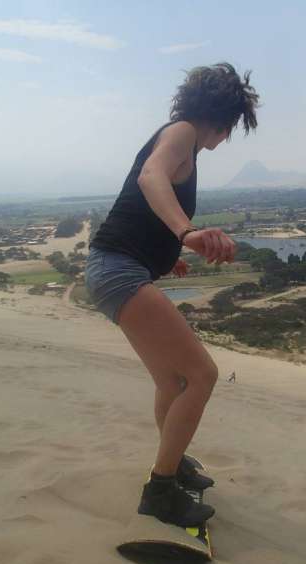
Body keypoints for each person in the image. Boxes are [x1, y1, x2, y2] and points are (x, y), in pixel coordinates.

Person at [85, 62, 259, 528]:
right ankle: (160, 491)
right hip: (117, 271)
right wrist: (186, 233)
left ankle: (172, 459)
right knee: (202, 374)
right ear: (223, 118)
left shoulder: (185, 142)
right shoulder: (182, 132)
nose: (226, 139)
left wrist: (164, 256)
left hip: (119, 268)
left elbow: (142, 211)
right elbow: (149, 178)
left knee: (173, 382)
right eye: (231, 128)